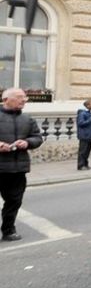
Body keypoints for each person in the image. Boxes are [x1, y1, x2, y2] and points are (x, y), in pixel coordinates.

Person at [0, 88, 42, 242]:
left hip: (18, 168)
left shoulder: (27, 119)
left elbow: (37, 138)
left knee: (14, 201)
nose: (24, 100)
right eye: (19, 97)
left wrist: (27, 142)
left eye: (25, 97)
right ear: (6, 99)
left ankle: (9, 230)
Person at [76, 100, 91, 170]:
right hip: (84, 136)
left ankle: (86, 164)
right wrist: (90, 120)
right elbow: (80, 123)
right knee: (82, 151)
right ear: (88, 105)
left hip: (90, 135)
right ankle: (80, 165)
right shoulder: (82, 114)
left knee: (87, 151)